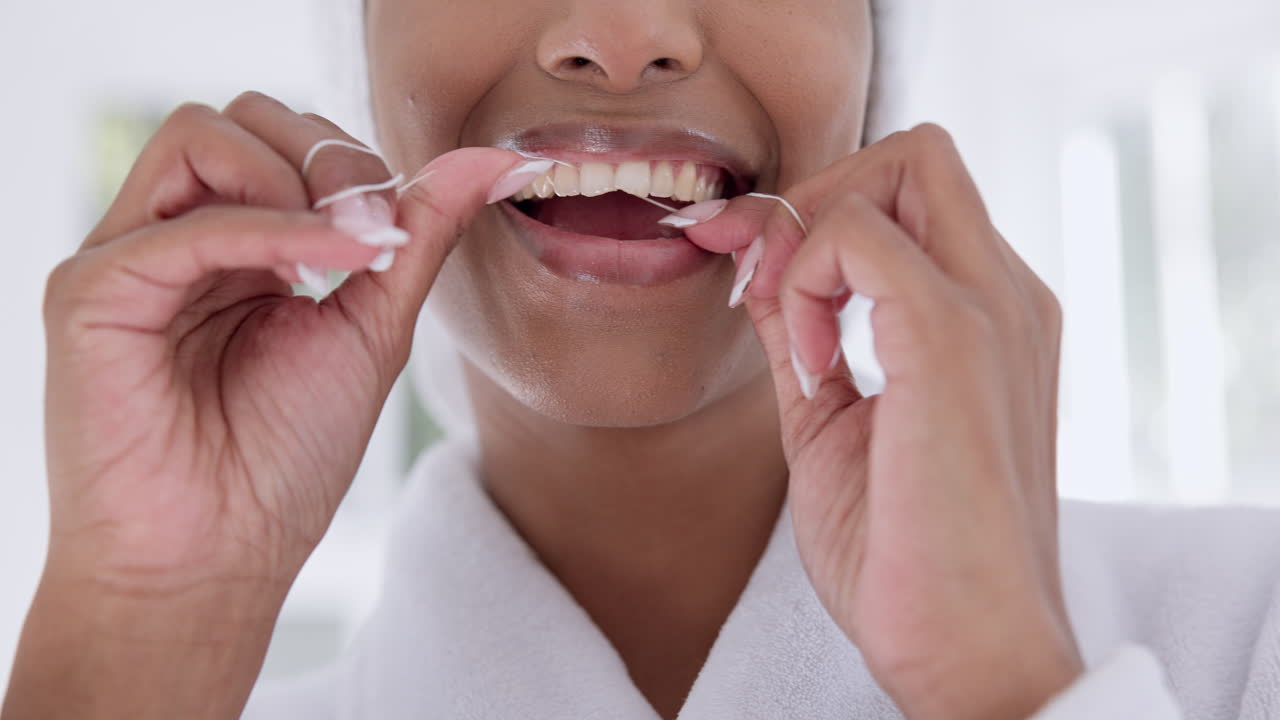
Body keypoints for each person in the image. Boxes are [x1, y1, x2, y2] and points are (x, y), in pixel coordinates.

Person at [5, 1, 1279, 718]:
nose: (622, 34)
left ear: (880, 63)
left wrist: (1007, 693)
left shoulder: (1245, 636)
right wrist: (140, 635)